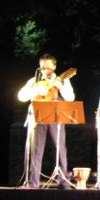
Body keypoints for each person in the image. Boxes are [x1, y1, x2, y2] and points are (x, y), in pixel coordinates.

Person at [17, 53, 75, 189]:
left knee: (60, 149)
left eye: (48, 67)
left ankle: (63, 182)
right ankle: (33, 182)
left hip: (56, 117)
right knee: (36, 149)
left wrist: (60, 87)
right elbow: (21, 96)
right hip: (38, 117)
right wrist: (35, 89)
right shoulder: (34, 81)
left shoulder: (63, 80)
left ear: (54, 66)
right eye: (42, 67)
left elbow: (71, 97)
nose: (45, 70)